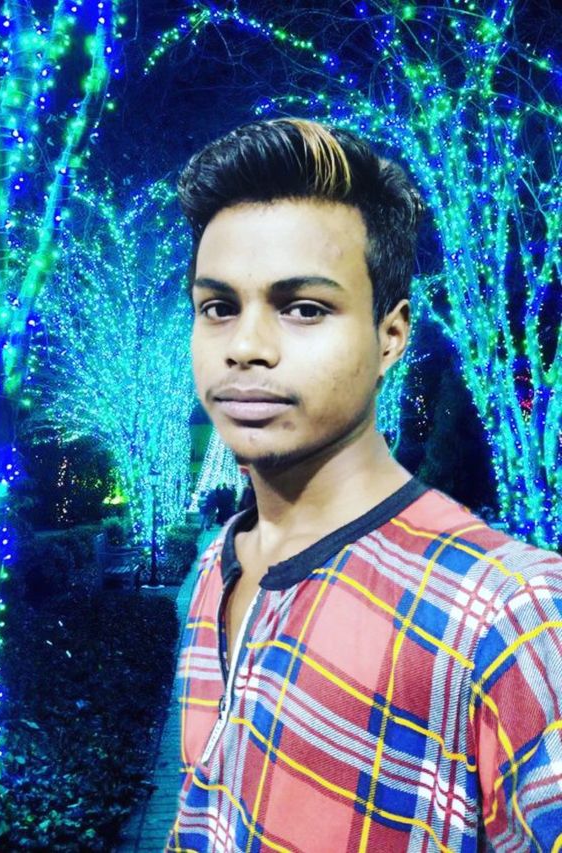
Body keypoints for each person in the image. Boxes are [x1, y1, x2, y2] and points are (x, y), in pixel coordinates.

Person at [166, 118, 562, 852]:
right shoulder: (220, 562)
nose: (245, 346)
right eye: (218, 307)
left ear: (390, 335)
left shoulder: (506, 611)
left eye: (304, 308)